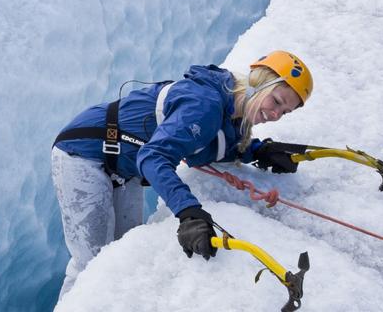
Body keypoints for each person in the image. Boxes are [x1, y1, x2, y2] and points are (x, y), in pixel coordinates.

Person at [51, 51, 313, 299]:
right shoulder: (206, 105)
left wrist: (260, 152)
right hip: (84, 154)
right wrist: (188, 212)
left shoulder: (231, 114)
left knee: (118, 259)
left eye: (285, 111)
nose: (276, 114)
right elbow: (153, 157)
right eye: (276, 101)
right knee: (91, 265)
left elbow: (209, 146)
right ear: (258, 83)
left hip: (123, 169)